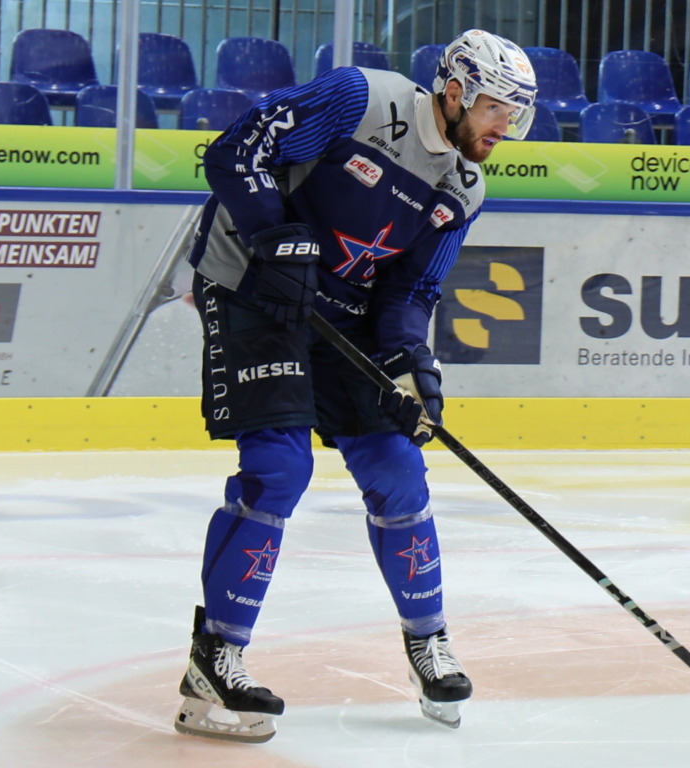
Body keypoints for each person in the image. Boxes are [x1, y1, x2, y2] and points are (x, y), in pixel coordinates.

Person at [173, 29, 538, 743]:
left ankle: (427, 641)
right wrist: (272, 233)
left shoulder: (464, 184)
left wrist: (411, 365)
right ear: (456, 91)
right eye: (498, 109)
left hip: (344, 311)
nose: (506, 129)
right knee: (280, 466)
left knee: (399, 469)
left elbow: (410, 292)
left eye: (518, 116)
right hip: (251, 285)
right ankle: (214, 656)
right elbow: (234, 152)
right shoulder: (359, 99)